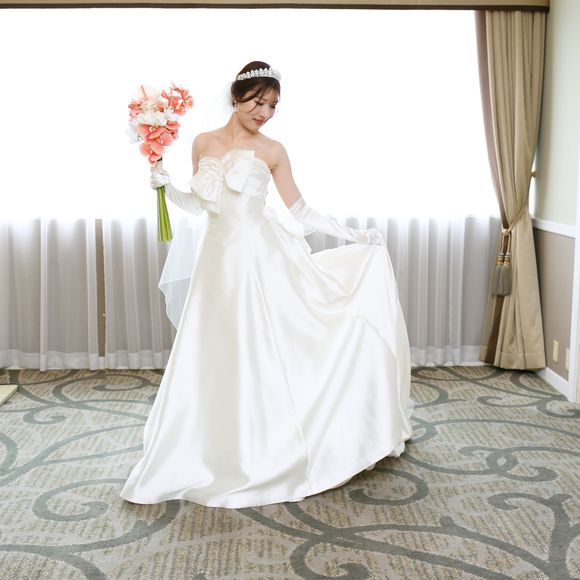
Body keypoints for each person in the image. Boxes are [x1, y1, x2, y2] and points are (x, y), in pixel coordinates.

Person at [120, 61, 413, 509]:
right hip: (216, 260)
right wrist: (164, 185)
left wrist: (354, 235)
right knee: (214, 349)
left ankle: (271, 444)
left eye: (273, 105)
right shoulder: (203, 142)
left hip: (259, 258)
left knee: (269, 344)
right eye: (259, 101)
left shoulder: (274, 150)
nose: (265, 112)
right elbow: (199, 206)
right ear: (236, 97)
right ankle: (209, 446)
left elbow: (301, 211)